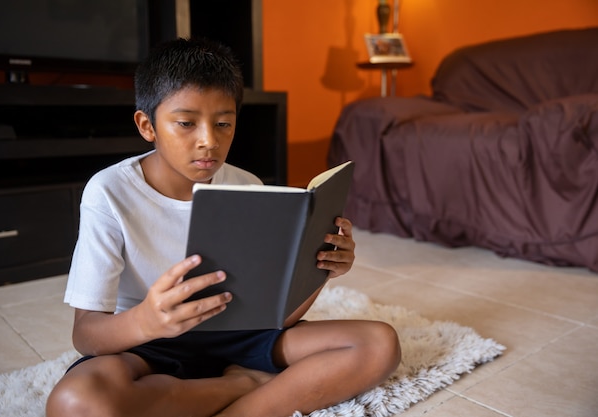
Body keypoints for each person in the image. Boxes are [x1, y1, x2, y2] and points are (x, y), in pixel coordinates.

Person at [46, 37, 401, 417]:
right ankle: (243, 384)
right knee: (76, 403)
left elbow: (276, 318)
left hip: (241, 336)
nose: (208, 141)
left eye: (224, 124)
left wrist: (319, 271)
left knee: (380, 345)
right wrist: (147, 320)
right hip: (149, 342)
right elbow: (86, 334)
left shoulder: (248, 187)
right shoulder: (109, 192)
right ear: (146, 125)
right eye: (186, 123)